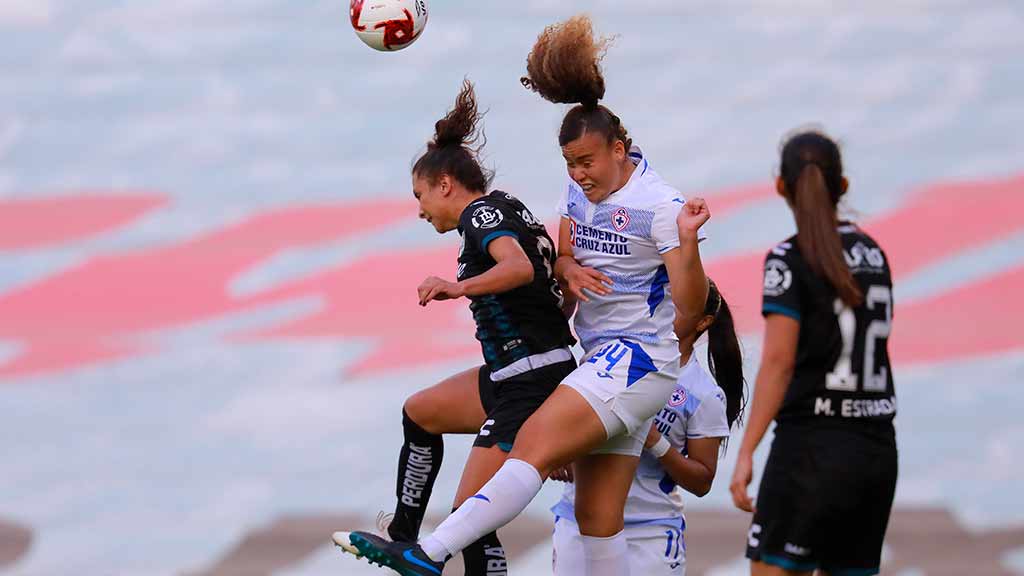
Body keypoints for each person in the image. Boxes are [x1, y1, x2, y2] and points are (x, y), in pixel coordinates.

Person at [343, 15, 712, 576]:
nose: (578, 174)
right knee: (595, 516)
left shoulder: (661, 206)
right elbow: (561, 242)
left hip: (634, 357)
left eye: (587, 162)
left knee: (533, 446)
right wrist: (565, 263)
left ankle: (425, 553)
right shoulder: (579, 185)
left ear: (620, 148)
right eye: (570, 164)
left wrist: (687, 244)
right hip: (598, 355)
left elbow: (690, 303)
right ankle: (415, 539)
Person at [332, 79, 577, 576]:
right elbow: (543, 291)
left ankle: (417, 554)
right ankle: (402, 537)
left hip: (529, 379)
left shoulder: (481, 215)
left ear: (445, 184)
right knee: (420, 412)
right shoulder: (507, 207)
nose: (420, 209)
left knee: (471, 516)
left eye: (420, 195)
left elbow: (519, 269)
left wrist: (458, 286)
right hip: (516, 371)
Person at [729, 130, 898, 576]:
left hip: (810, 451)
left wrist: (747, 451)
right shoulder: (874, 255)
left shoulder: (788, 258)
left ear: (781, 187)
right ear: (842, 187)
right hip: (875, 453)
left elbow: (779, 361)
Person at [552, 279, 747, 576]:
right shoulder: (607, 360)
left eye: (678, 305)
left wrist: (654, 440)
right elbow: (565, 424)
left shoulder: (702, 392)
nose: (665, 309)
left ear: (703, 321)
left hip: (648, 532)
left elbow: (702, 481)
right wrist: (556, 453)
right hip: (578, 521)